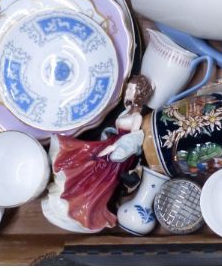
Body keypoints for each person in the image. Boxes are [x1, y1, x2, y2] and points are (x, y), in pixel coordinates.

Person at [42, 75, 154, 232]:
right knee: (83, 157)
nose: (127, 91)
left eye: (130, 89)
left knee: (96, 179)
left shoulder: (136, 116)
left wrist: (113, 149)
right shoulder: (127, 111)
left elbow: (133, 139)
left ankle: (80, 206)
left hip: (118, 157)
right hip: (110, 145)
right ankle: (67, 190)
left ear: (139, 93)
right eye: (128, 87)